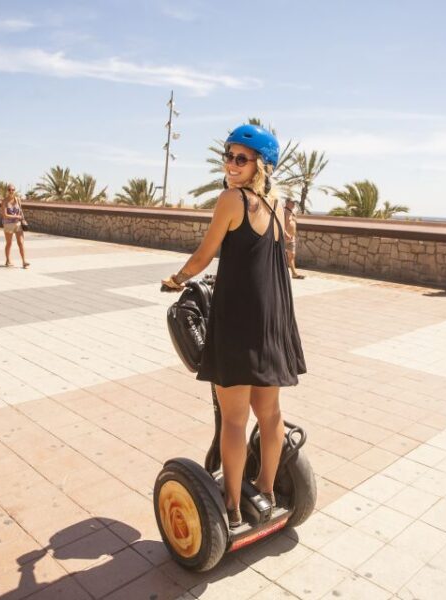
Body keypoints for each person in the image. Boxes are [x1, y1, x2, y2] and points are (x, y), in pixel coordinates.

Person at [161, 124, 306, 528]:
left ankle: (231, 504)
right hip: (273, 323)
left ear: (261, 164)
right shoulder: (277, 206)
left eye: (241, 158)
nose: (231, 164)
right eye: (227, 155)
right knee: (271, 414)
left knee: (235, 420)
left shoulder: (231, 200)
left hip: (238, 322)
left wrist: (175, 279)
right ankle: (267, 487)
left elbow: (204, 255)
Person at [1, 184, 29, 268]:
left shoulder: (18, 200)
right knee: (9, 243)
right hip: (8, 224)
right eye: (9, 189)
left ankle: (24, 261)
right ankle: (8, 260)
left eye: (13, 189)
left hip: (18, 224)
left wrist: (23, 219)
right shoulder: (4, 201)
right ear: (7, 190)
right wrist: (16, 216)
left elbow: (20, 211)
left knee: (21, 243)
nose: (11, 191)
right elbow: (5, 215)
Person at [283, 197, 305, 279]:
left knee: (292, 255)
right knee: (282, 256)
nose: (294, 204)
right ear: (287, 202)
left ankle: (294, 273)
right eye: (292, 202)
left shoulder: (292, 213)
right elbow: (281, 225)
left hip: (291, 238)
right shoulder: (284, 212)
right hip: (285, 238)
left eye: (294, 203)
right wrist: (286, 234)